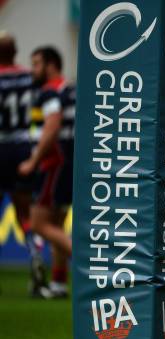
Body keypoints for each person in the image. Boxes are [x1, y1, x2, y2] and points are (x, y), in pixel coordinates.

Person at [18, 47, 74, 298]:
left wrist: (34, 159)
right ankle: (59, 283)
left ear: (51, 64)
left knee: (40, 223)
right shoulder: (70, 87)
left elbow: (52, 124)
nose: (33, 69)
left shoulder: (51, 90)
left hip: (54, 160)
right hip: (70, 159)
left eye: (37, 63)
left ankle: (94, 269)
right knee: (57, 225)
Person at [0, 32, 48, 297]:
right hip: (22, 147)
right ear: (16, 51)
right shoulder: (29, 77)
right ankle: (34, 253)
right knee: (24, 215)